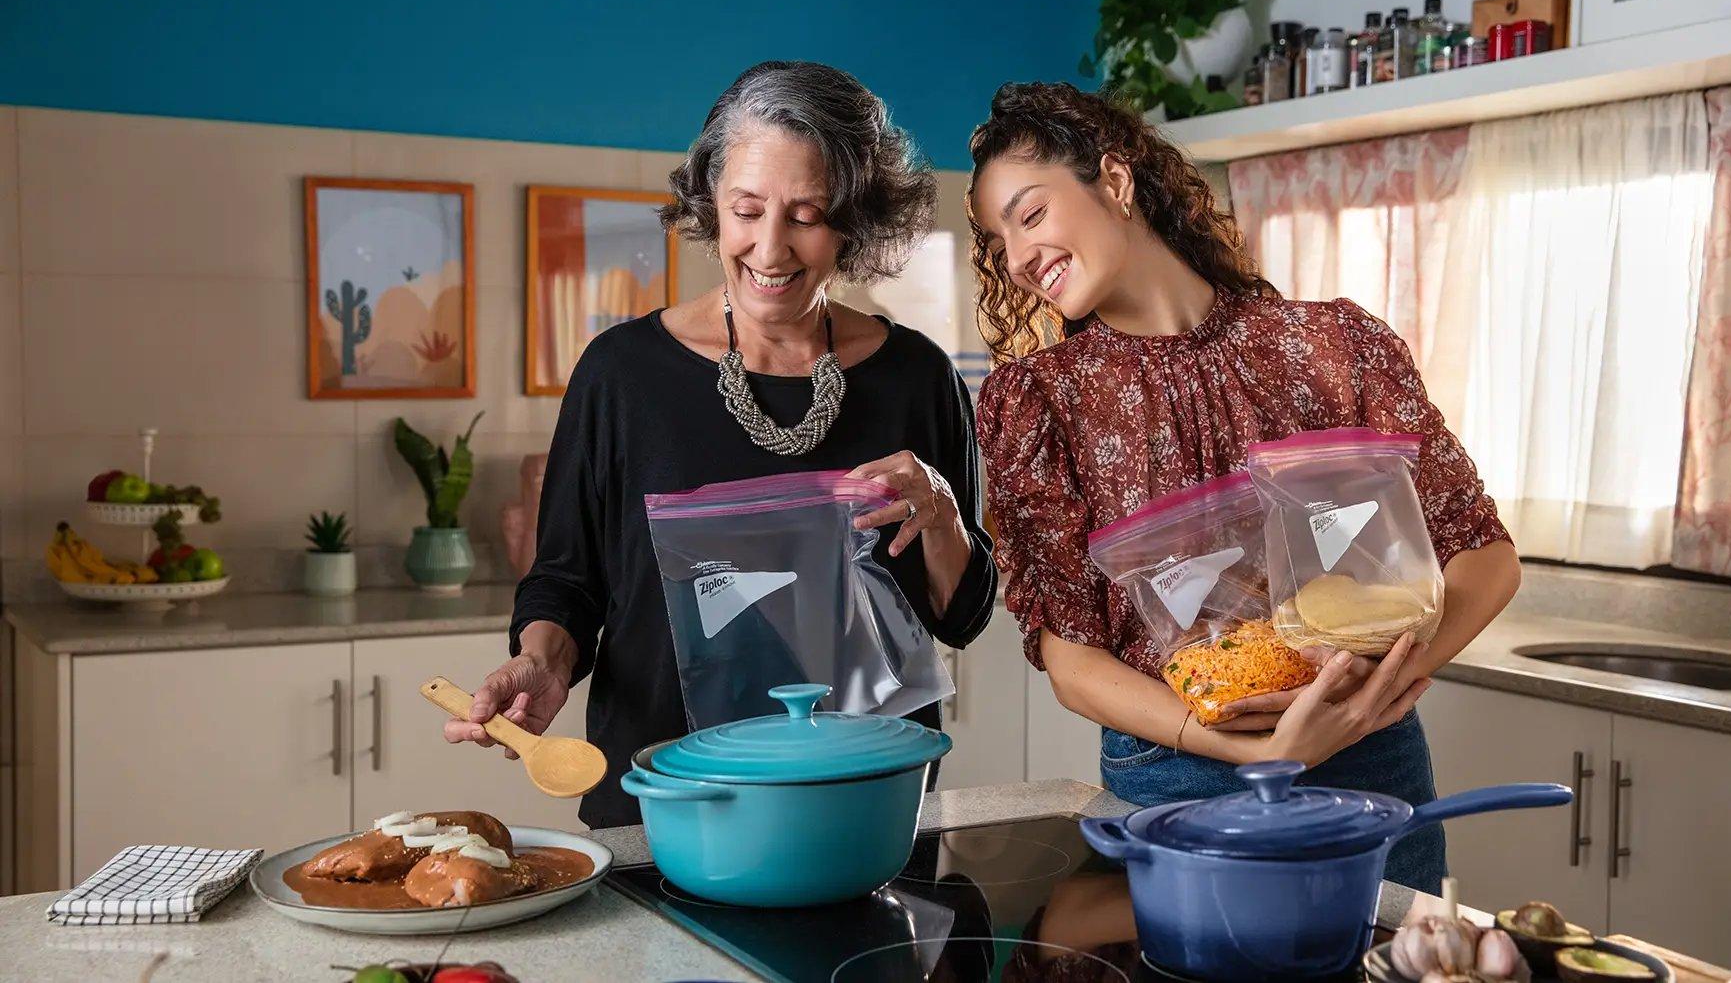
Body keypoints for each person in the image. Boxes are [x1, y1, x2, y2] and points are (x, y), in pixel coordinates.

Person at [966, 82, 1520, 891]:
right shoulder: (1037, 403)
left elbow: (1484, 556)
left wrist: (1371, 691)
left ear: (1115, 183)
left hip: (1372, 770)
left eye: (1030, 215)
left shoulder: (1334, 345)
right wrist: (1248, 748)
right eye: (998, 239)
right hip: (1177, 777)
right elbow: (1069, 656)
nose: (1016, 257)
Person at [444, 61, 996, 828]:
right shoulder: (622, 374)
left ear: (853, 219)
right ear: (710, 205)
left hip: (863, 805)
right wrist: (543, 664)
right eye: (747, 210)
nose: (770, 249)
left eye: (806, 215)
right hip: (667, 805)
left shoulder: (917, 377)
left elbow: (962, 615)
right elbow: (567, 582)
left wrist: (941, 514)